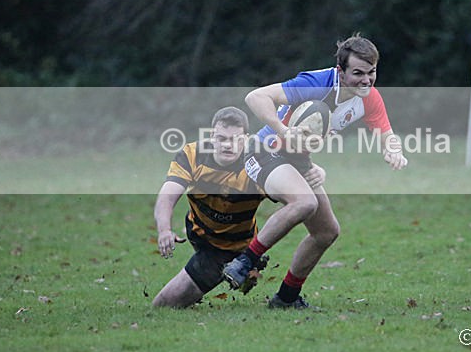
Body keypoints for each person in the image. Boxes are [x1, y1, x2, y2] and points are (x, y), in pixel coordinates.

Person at [222, 33, 408, 309]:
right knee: (305, 202)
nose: (366, 80)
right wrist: (284, 131)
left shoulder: (368, 97)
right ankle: (244, 261)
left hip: (297, 160)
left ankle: (286, 298)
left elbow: (385, 131)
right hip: (264, 150)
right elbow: (256, 97)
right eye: (358, 73)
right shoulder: (315, 84)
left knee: (327, 231)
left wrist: (393, 150)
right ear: (340, 72)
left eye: (372, 72)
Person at [152, 106, 268, 308]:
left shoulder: (258, 163)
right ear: (212, 136)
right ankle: (245, 270)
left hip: (231, 247)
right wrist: (164, 230)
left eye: (235, 139)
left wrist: (312, 171)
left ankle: (245, 265)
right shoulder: (192, 154)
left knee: (162, 305)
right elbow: (167, 195)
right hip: (198, 232)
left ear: (245, 140)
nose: (227, 145)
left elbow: (293, 195)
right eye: (222, 138)